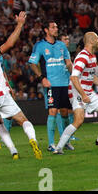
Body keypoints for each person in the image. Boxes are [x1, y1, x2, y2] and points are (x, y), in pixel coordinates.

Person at [0, 12, 42, 160]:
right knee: (23, 120)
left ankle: (13, 151)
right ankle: (33, 141)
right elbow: (10, 44)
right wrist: (20, 24)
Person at [53, 32, 98, 154]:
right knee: (78, 120)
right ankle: (59, 148)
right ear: (91, 41)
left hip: (88, 92)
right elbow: (74, 78)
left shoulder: (92, 56)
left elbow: (91, 77)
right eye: (97, 39)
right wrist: (83, 95)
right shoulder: (83, 56)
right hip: (77, 92)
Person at [29, 21, 73, 152]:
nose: (56, 29)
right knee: (53, 111)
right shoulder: (40, 46)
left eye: (57, 27)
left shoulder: (62, 45)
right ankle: (51, 143)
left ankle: (66, 141)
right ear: (46, 30)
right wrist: (42, 78)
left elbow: (68, 62)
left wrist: (74, 74)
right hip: (51, 84)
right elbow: (32, 64)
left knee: (65, 112)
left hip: (64, 83)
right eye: (53, 27)